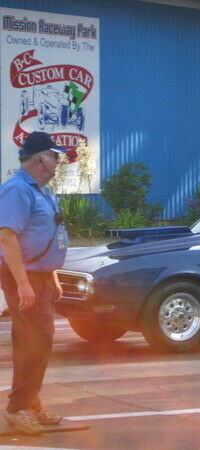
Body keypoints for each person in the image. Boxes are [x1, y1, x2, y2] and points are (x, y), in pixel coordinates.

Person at [0, 131, 69, 435]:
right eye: (55, 156)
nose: (57, 161)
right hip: (23, 278)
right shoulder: (17, 190)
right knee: (34, 342)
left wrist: (52, 275)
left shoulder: (42, 190)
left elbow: (48, 234)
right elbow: (7, 237)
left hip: (40, 276)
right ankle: (18, 408)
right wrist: (24, 284)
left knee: (37, 342)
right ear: (41, 157)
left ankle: (30, 402)